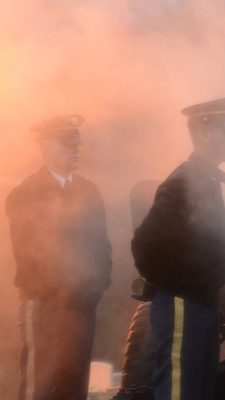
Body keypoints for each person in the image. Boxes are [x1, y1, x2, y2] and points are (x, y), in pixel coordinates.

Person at [131, 97, 225, 400]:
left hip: (202, 303)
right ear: (203, 134)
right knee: (180, 390)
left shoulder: (206, 178)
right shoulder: (182, 182)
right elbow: (145, 244)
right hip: (183, 305)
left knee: (200, 390)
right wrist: (177, 284)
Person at [6, 114, 112, 400]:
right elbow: (28, 256)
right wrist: (59, 295)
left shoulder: (89, 191)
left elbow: (102, 249)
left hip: (81, 307)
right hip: (43, 306)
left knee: (73, 385)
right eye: (67, 142)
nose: (75, 148)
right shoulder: (25, 193)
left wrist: (93, 291)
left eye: (77, 141)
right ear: (45, 147)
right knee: (38, 387)